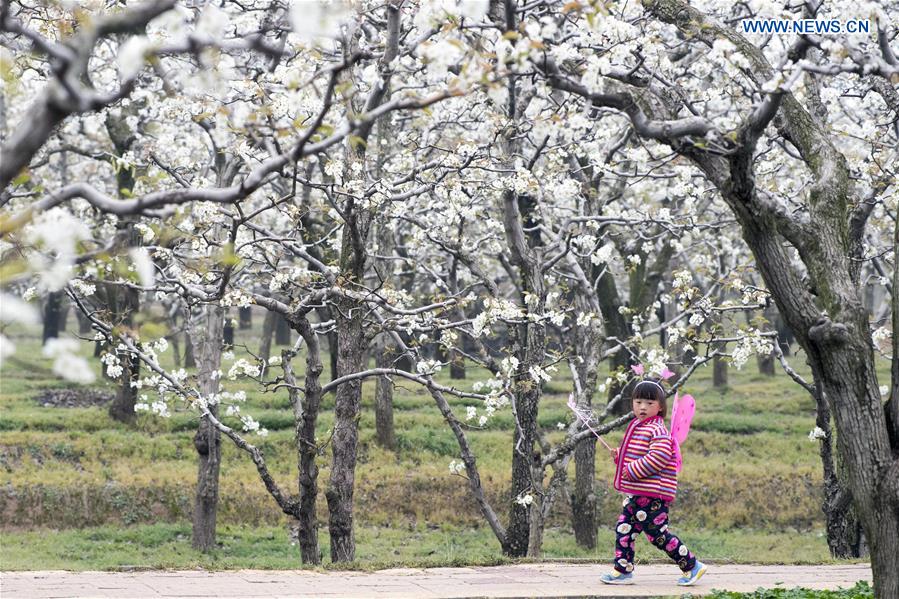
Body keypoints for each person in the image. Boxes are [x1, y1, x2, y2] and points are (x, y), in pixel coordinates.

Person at [599, 378, 707, 587]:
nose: (642, 407)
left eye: (649, 403)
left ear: (660, 407)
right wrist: (620, 457)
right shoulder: (641, 426)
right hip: (639, 494)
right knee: (625, 529)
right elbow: (638, 454)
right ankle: (622, 570)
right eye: (638, 402)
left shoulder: (657, 430)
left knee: (657, 534)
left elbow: (656, 459)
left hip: (652, 496)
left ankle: (692, 565)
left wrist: (629, 469)